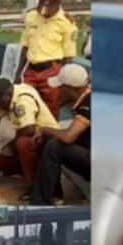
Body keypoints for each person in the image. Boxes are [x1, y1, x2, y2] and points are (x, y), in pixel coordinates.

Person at [0, 78, 60, 199]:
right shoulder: (12, 94)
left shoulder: (23, 101)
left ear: (7, 94)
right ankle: (32, 170)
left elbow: (28, 131)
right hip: (36, 138)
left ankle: (33, 184)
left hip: (48, 140)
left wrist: (10, 145)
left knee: (22, 143)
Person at [14, 0, 79, 118]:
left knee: (50, 111)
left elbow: (68, 58)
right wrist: (18, 73)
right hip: (31, 71)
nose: (44, 10)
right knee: (26, 108)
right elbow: (25, 47)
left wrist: (65, 83)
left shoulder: (67, 23)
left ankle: (47, 138)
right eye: (42, 5)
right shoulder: (32, 16)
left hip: (52, 72)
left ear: (58, 5)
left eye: (49, 7)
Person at [31, 63, 91, 205]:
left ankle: (42, 202)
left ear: (70, 89)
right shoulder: (86, 98)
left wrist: (45, 129)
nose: (58, 91)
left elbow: (68, 137)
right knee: (52, 140)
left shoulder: (88, 104)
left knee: (55, 146)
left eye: (60, 87)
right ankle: (53, 194)